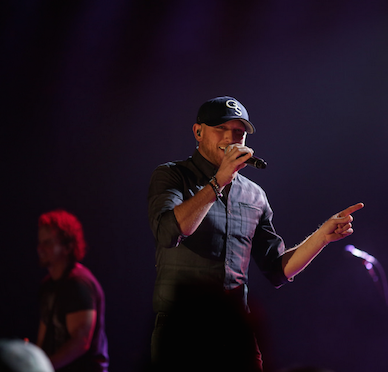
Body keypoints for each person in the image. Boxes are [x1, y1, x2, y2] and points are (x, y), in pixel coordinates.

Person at [147, 96, 364, 371]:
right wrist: (219, 181)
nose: (231, 138)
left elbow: (277, 270)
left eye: (239, 132)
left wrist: (321, 236)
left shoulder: (254, 195)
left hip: (235, 332)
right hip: (183, 331)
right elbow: (170, 232)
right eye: (221, 129)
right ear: (198, 132)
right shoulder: (172, 176)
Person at [36, 209, 109, 372]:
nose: (40, 248)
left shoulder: (78, 283)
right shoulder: (48, 285)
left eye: (47, 242)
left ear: (68, 247)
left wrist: (41, 367)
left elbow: (80, 342)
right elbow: (44, 336)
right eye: (39, 242)